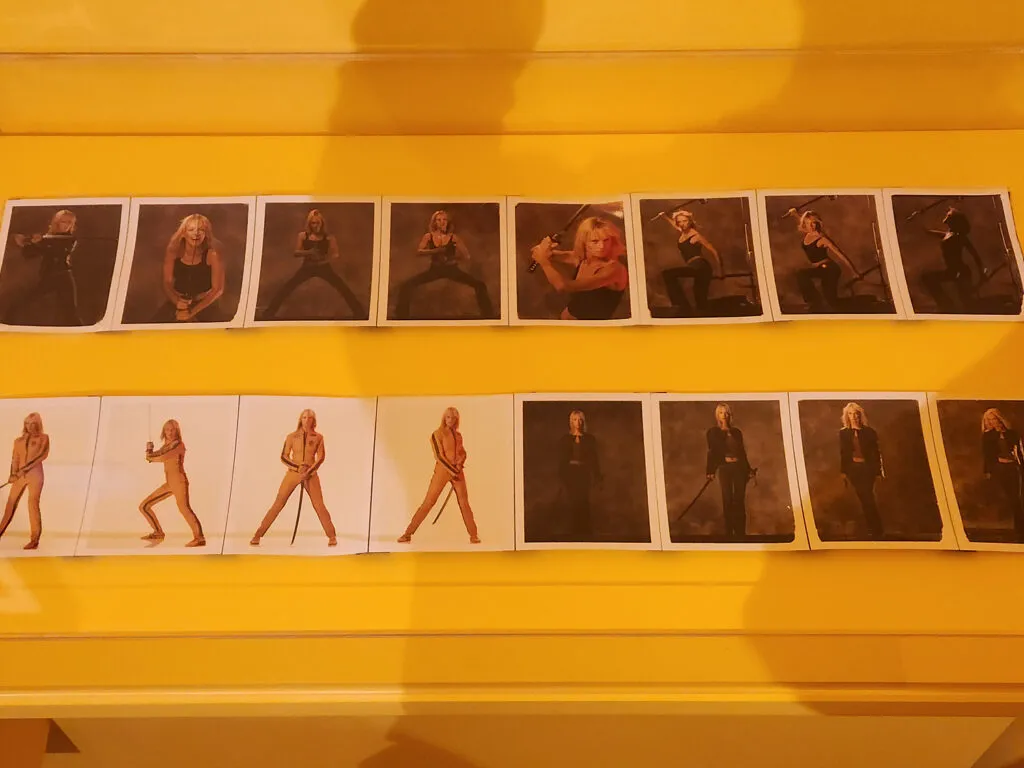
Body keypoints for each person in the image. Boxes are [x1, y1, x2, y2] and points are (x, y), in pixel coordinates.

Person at [258, 209, 367, 321]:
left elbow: (335, 254)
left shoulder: (329, 237)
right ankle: (268, 313)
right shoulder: (303, 236)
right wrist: (309, 252)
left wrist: (325, 260)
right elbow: (296, 252)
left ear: (322, 223)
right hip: (308, 267)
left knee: (342, 287)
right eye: (313, 223)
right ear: (309, 224)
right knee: (288, 287)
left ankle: (359, 313)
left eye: (318, 223)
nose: (316, 226)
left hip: (324, 266)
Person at [250, 409, 337, 546]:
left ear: (314, 421)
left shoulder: (318, 437)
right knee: (278, 503)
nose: (307, 420)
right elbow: (284, 456)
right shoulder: (291, 437)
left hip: (310, 474)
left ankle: (332, 536)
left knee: (319, 505)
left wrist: (308, 471)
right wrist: (297, 467)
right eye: (304, 417)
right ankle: (258, 535)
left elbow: (321, 457)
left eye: (310, 418)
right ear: (300, 420)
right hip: (293, 473)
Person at [393, 210, 495, 320]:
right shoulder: (428, 236)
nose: (442, 222)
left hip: (452, 269)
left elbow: (467, 256)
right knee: (406, 285)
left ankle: (488, 316)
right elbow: (419, 251)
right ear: (434, 223)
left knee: (480, 285)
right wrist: (435, 251)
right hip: (435, 269)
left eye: (444, 220)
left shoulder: (453, 237)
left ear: (448, 222)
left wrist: (452, 257)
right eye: (439, 220)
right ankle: (401, 317)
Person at [398, 407, 480, 543]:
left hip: (458, 472)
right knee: (428, 502)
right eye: (448, 417)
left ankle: (474, 535)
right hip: (442, 472)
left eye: (453, 418)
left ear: (457, 420)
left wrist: (460, 464)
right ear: (444, 418)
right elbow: (439, 456)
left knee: (464, 503)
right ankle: (408, 533)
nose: (451, 420)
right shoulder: (437, 434)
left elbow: (462, 452)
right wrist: (453, 471)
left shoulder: (458, 436)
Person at [530, 216, 630, 320]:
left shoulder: (613, 269)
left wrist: (544, 263)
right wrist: (544, 249)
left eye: (606, 240)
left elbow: (562, 286)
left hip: (589, 328)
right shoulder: (582, 257)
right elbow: (545, 254)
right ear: (584, 242)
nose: (602, 246)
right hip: (568, 318)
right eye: (595, 241)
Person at [3, 209, 83, 326]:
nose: (66, 225)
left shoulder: (69, 239)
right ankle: (6, 322)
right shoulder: (47, 239)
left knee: (70, 311)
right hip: (48, 277)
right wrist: (29, 242)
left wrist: (37, 241)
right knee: (23, 302)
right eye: (63, 222)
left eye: (69, 222)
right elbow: (29, 254)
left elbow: (57, 250)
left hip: (63, 277)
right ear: (57, 223)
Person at [139, 419, 205, 547]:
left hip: (179, 482)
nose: (169, 432)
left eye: (172, 430)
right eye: (167, 430)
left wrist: (150, 456)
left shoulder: (179, 445)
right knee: (144, 506)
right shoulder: (167, 446)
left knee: (184, 509)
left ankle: (199, 538)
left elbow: (162, 457)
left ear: (177, 431)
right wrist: (149, 450)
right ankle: (158, 532)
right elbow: (156, 455)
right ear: (164, 431)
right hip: (170, 484)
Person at [150, 213, 225, 323]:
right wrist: (177, 302)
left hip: (205, 304)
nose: (196, 233)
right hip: (178, 301)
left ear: (206, 234)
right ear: (184, 233)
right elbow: (167, 282)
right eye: (191, 229)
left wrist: (191, 313)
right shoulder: (173, 251)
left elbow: (217, 289)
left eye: (201, 230)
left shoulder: (213, 254)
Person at [782, 209, 862, 311]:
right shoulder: (808, 233)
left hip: (830, 270)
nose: (812, 226)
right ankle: (815, 301)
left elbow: (840, 255)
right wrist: (795, 214)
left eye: (814, 223)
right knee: (831, 301)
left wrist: (854, 272)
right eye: (809, 223)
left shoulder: (822, 238)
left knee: (831, 302)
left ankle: (862, 303)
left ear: (817, 223)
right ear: (805, 224)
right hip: (820, 269)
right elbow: (805, 219)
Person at [920, 207, 988, 313]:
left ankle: (948, 306)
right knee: (928, 278)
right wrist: (927, 231)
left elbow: (975, 255)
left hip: (960, 272)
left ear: (953, 220)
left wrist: (981, 272)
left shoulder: (959, 236)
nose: (946, 216)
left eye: (949, 215)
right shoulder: (950, 234)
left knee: (967, 302)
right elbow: (942, 235)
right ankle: (946, 305)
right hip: (952, 271)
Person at [656, 208, 723, 315]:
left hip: (701, 267)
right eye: (680, 222)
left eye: (685, 221)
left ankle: (682, 306)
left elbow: (714, 251)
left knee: (668, 274)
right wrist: (664, 217)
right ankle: (684, 308)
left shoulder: (695, 235)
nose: (682, 224)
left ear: (690, 221)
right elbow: (675, 225)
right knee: (700, 301)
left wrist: (720, 271)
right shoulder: (683, 233)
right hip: (693, 267)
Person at [705, 403, 755, 539]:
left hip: (739, 468)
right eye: (721, 412)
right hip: (725, 469)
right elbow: (712, 452)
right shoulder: (713, 433)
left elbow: (742, 453)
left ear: (729, 414)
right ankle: (729, 534)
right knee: (727, 500)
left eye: (726, 412)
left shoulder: (736, 432)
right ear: (717, 415)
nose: (724, 415)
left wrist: (749, 470)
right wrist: (710, 471)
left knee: (739, 500)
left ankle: (740, 534)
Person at [0, 413, 49, 550]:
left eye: (33, 424)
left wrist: (23, 470)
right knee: (10, 504)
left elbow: (41, 456)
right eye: (27, 424)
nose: (29, 427)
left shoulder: (44, 438)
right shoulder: (18, 441)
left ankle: (34, 540)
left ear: (38, 424)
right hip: (19, 476)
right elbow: (15, 458)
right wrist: (13, 474)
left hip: (35, 476)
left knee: (32, 504)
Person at [839, 402, 884, 538]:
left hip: (867, 469)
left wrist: (878, 472)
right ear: (847, 416)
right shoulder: (843, 433)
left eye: (856, 414)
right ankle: (875, 529)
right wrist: (844, 472)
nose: (853, 417)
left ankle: (876, 529)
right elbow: (844, 453)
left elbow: (876, 454)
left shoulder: (870, 432)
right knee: (865, 498)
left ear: (860, 415)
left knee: (867, 497)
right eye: (850, 414)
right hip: (854, 470)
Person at [557, 409, 602, 538]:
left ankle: (585, 530)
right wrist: (563, 476)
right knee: (573, 501)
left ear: (584, 422)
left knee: (584, 500)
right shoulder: (565, 439)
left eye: (580, 420)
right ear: (571, 422)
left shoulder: (590, 439)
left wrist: (597, 476)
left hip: (584, 474)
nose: (578, 422)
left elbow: (594, 459)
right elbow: (561, 460)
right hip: (570, 474)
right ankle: (574, 530)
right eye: (575, 420)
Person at [981, 408, 1024, 541]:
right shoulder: (988, 436)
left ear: (999, 418)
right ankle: (1018, 528)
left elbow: (1020, 451)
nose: (991, 422)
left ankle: (1020, 528)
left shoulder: (1012, 433)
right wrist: (988, 471)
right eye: (989, 420)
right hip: (1000, 469)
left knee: (1017, 498)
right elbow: (987, 455)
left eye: (993, 419)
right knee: (1010, 498)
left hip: (1014, 468)